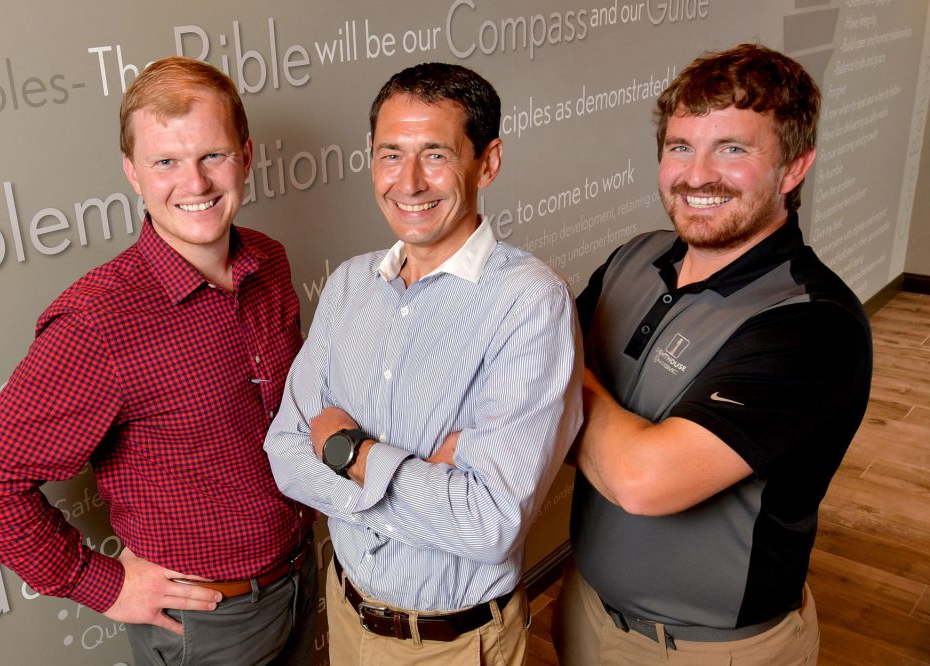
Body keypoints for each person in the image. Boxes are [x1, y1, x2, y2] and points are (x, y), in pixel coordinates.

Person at [0, 57, 316, 666]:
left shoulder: (269, 263)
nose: (194, 184)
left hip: (301, 578)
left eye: (213, 155)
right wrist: (104, 583)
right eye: (165, 162)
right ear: (133, 174)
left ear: (246, 156)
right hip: (208, 627)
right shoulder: (98, 323)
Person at [552, 43, 874, 665]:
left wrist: (557, 376)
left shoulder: (813, 326)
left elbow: (643, 480)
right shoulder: (635, 257)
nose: (697, 175)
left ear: (794, 167)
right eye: (680, 147)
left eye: (732, 149)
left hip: (708, 651)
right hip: (586, 609)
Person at [264, 62, 582, 665]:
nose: (408, 182)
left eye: (435, 154)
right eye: (390, 155)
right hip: (347, 613)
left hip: (451, 644)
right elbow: (283, 454)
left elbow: (486, 526)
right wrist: (416, 477)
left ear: (487, 162)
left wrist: (347, 453)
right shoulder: (349, 285)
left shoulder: (529, 301)